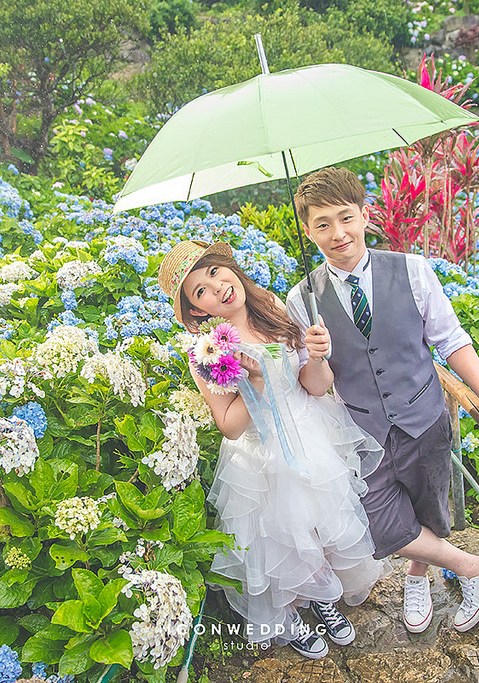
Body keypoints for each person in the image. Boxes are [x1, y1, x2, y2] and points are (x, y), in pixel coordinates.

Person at [285, 166, 479, 635]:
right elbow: (316, 385)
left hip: (424, 416)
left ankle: (419, 576)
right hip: (360, 432)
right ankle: (476, 568)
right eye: (323, 224)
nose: (338, 233)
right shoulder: (302, 299)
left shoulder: (412, 270)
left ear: (365, 216)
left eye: (345, 218)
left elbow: (452, 341)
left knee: (430, 509)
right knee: (381, 527)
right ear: (308, 231)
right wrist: (314, 356)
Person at [158, 240, 388, 659]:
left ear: (227, 266)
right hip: (258, 455)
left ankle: (322, 594)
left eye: (213, 272)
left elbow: (314, 386)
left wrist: (319, 356)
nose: (217, 287)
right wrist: (256, 386)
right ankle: (289, 617)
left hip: (310, 429)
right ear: (197, 311)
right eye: (200, 291)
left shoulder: (273, 307)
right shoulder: (206, 353)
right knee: (280, 539)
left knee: (320, 523)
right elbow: (228, 427)